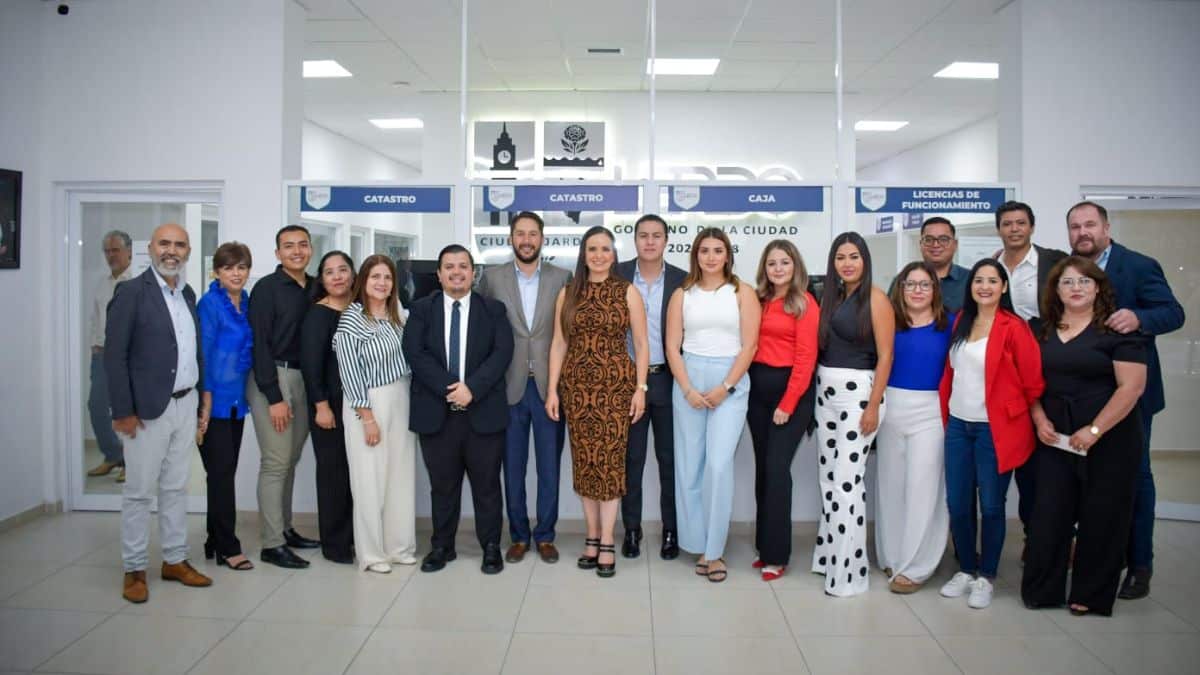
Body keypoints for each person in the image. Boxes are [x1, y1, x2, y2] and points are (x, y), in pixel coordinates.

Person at [1065, 200, 1185, 600]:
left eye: (1089, 225)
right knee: (1086, 481)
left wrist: (1139, 318)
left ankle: (1139, 564)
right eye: (1075, 226)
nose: (1083, 232)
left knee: (1134, 478)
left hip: (1130, 395)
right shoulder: (1069, 270)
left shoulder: (1138, 266)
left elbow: (1173, 313)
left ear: (1106, 227)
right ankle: (1101, 556)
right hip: (1080, 397)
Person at [1022, 257, 1147, 616]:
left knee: (1102, 515)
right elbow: (1028, 382)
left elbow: (1131, 388)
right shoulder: (1040, 330)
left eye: (1084, 282)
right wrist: (1039, 419)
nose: (1075, 288)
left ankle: (1090, 595)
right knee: (1049, 513)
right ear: (1055, 289)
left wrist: (1094, 430)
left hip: (1109, 437)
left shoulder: (1118, 330)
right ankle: (1043, 591)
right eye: (1067, 282)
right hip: (1054, 436)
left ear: (1098, 288)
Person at [105, 223, 211, 603]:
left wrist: (200, 399)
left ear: (188, 252)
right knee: (138, 492)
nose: (172, 250)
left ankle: (174, 559)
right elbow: (115, 356)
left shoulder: (188, 294)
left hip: (185, 404)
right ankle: (134, 569)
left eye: (179, 245)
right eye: (164, 243)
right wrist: (123, 410)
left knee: (176, 487)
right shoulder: (131, 293)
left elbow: (192, 350)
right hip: (146, 410)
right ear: (150, 248)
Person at [938, 259, 1043, 610]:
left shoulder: (1014, 327)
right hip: (958, 426)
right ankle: (966, 568)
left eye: (992, 281)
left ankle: (987, 575)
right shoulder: (961, 322)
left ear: (1004, 287)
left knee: (992, 505)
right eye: (978, 280)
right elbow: (950, 373)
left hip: (994, 430)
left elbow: (1033, 381)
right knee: (958, 503)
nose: (984, 287)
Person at [402, 245, 514, 575]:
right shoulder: (421, 310)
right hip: (437, 413)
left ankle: (490, 546)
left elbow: (502, 353)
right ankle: (442, 546)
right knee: (443, 486)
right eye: (449, 267)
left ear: (473, 273)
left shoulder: (493, 310)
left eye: (463, 266)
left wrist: (472, 389)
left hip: (483, 412)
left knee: (487, 486)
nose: (456, 272)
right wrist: (452, 388)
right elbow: (415, 353)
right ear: (439, 274)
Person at [546, 226, 649, 578]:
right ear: (583, 254)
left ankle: (607, 540)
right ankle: (591, 536)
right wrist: (552, 390)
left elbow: (641, 343)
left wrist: (640, 388)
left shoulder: (627, 291)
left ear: (614, 254)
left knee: (610, 465)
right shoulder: (568, 293)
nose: (599, 255)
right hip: (576, 390)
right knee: (586, 463)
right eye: (592, 248)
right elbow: (559, 343)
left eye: (606, 249)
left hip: (616, 390)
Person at [665, 228, 760, 583]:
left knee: (718, 466)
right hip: (688, 378)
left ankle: (715, 550)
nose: (710, 257)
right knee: (690, 467)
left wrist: (726, 387)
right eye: (704, 250)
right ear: (695, 255)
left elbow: (750, 346)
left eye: (717, 250)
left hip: (729, 380)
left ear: (728, 255)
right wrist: (687, 388)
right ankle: (697, 543)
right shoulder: (682, 294)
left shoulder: (742, 292)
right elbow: (672, 346)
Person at [477, 211, 571, 565]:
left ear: (542, 239)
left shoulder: (562, 277)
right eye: (521, 234)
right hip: (507, 387)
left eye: (533, 234)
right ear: (511, 238)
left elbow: (568, 333)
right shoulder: (491, 278)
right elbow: (482, 329)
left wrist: (560, 385)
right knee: (512, 468)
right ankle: (518, 536)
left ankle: (545, 535)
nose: (527, 240)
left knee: (549, 468)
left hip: (550, 388)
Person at [811, 232, 894, 597]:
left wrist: (873, 405)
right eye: (841, 257)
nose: (847, 263)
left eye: (854, 257)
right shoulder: (831, 297)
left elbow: (887, 356)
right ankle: (829, 558)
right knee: (828, 479)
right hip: (825, 393)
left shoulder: (875, 298)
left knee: (847, 484)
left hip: (858, 397)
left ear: (865, 260)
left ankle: (849, 575)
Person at [335, 255, 418, 573]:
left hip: (401, 398)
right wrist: (367, 418)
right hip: (368, 403)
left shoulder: (399, 316)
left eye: (387, 277)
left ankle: (399, 547)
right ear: (363, 282)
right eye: (375, 277)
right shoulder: (352, 318)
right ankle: (371, 554)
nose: (382, 283)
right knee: (369, 480)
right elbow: (349, 371)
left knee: (400, 476)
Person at [875, 262, 953, 594]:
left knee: (924, 488)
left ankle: (917, 565)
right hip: (891, 407)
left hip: (931, 412)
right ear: (900, 288)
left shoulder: (951, 324)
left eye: (925, 285)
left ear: (935, 290)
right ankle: (892, 555)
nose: (917, 291)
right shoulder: (888, 321)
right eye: (910, 284)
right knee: (890, 485)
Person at [992, 200, 1066, 547]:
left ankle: (1052, 539)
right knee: (1018, 460)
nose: (1014, 229)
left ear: (1032, 227)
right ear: (999, 229)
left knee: (1049, 462)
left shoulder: (1055, 262)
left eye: (1020, 223)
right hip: (1006, 377)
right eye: (1007, 224)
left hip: (1049, 371)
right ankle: (1033, 537)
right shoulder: (991, 267)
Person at [614, 214, 687, 560]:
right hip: (627, 382)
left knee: (669, 460)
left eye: (656, 236)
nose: (650, 242)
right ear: (635, 240)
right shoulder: (617, 275)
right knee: (632, 460)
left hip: (670, 379)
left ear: (666, 241)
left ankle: (672, 529)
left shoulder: (682, 280)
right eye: (643, 235)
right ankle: (632, 529)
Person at [247, 225, 319, 569]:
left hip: (305, 378)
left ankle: (285, 529)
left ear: (311, 249)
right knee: (275, 462)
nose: (296, 251)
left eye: (302, 245)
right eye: (288, 246)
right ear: (278, 253)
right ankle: (271, 544)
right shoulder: (266, 289)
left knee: (290, 459)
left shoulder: (316, 286)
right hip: (273, 377)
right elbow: (259, 344)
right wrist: (274, 396)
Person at [747, 240, 818, 582]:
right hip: (757, 395)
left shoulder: (803, 302)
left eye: (784, 262)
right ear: (765, 268)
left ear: (795, 266)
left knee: (777, 471)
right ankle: (765, 548)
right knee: (764, 470)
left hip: (791, 395)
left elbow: (806, 358)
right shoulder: (759, 300)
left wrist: (787, 404)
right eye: (772, 263)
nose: (778, 269)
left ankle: (777, 556)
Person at [196, 242, 255, 571]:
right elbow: (202, 354)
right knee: (220, 474)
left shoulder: (246, 302)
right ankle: (228, 547)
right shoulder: (209, 305)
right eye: (228, 267)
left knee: (223, 473)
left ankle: (213, 539)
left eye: (241, 267)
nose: (236, 273)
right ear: (216, 271)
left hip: (237, 402)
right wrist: (204, 402)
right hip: (213, 402)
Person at [300, 251, 356, 564]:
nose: (337, 277)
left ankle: (354, 537)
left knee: (354, 474)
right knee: (334, 476)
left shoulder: (358, 310)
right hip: (329, 407)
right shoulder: (318, 315)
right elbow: (311, 367)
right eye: (330, 272)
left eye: (342, 270)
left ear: (352, 275)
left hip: (356, 405)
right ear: (322, 280)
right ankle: (335, 546)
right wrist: (321, 406)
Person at [87, 230, 134, 482]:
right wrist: (94, 346)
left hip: (128, 356)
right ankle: (113, 454)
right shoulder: (102, 284)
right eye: (107, 251)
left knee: (127, 409)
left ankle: (131, 461)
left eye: (115, 250)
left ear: (129, 252)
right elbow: (96, 318)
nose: (111, 255)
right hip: (102, 355)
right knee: (96, 406)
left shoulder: (137, 282)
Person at [889, 217, 969, 312]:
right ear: (921, 244)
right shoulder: (902, 280)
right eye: (928, 239)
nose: (935, 245)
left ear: (955, 244)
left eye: (944, 239)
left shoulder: (971, 280)